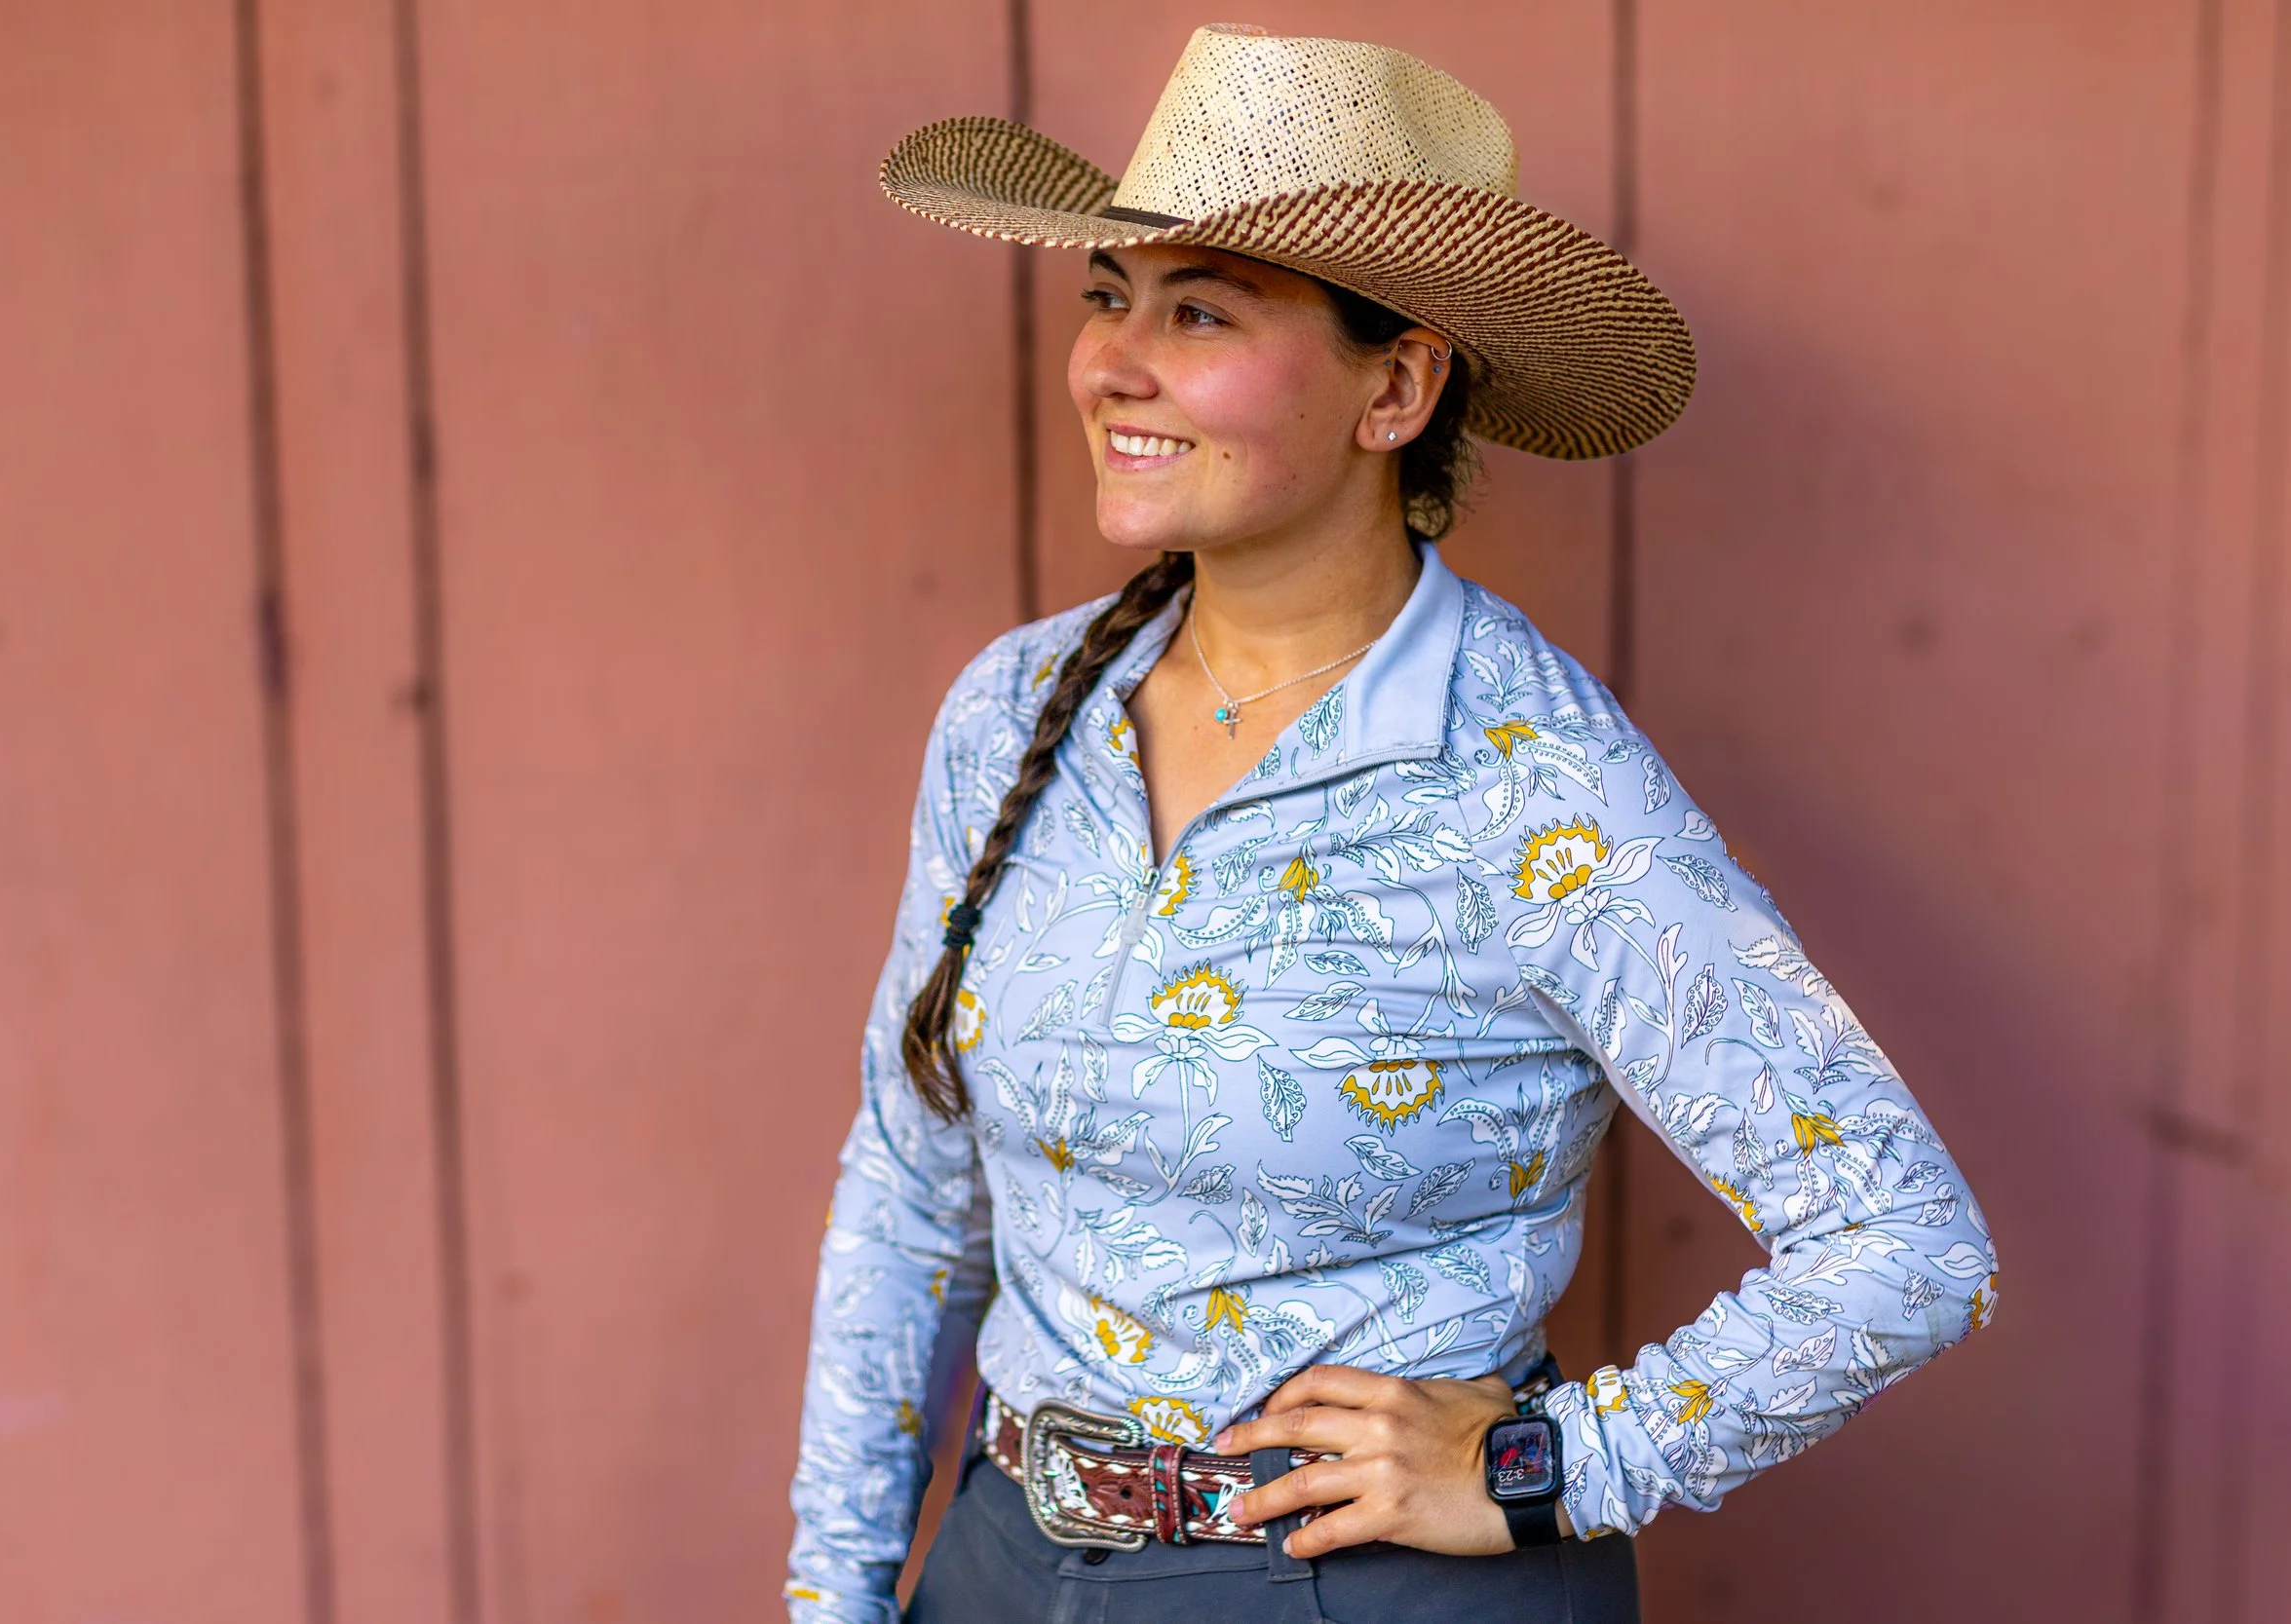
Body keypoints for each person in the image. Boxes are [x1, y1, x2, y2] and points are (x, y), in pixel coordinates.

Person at [786, 24, 1995, 1624]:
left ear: (1398, 386)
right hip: (1002, 1564)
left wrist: (1550, 1465)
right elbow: (911, 1181)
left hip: (1361, 1596)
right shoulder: (1017, 713)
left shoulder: (1533, 781)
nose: (1110, 364)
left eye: (1199, 311)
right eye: (1107, 296)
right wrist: (838, 1589)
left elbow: (1907, 1239)